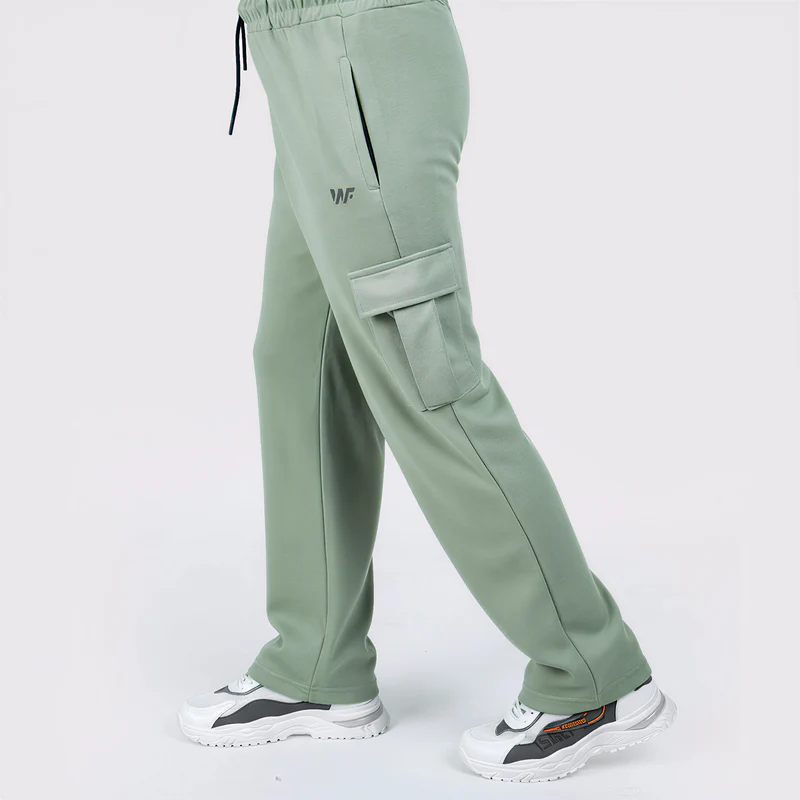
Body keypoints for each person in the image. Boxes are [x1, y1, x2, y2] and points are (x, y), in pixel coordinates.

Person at [178, 0, 675, 782]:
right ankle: (317, 660)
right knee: (298, 358)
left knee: (425, 373)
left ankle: (591, 670)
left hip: (354, 53)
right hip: (300, 62)